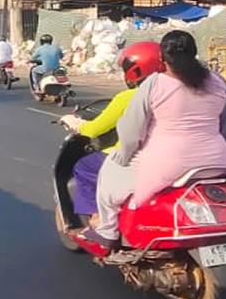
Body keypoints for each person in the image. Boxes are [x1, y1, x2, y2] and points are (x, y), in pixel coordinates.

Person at [84, 30, 226, 249]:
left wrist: (125, 155)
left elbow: (131, 130)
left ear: (162, 59)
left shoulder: (155, 84)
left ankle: (108, 230)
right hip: (217, 161)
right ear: (195, 53)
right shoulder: (218, 82)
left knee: (109, 174)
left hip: (169, 162)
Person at [58, 41, 163, 224]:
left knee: (84, 167)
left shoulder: (127, 98)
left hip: (134, 156)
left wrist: (73, 122)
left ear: (136, 70)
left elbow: (93, 129)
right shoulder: (176, 92)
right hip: (170, 155)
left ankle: (98, 218)